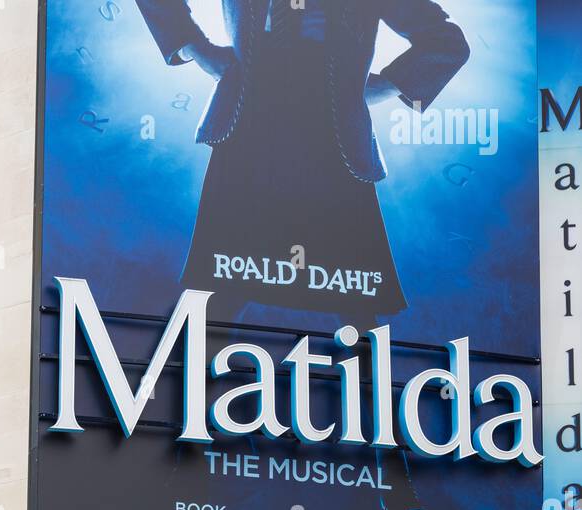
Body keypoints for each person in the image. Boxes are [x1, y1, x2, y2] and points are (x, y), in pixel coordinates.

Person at [134, 0, 470, 322]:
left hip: (330, 132)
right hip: (249, 121)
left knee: (353, 295)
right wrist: (194, 46)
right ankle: (186, 377)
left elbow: (446, 42)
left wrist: (386, 85)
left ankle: (365, 377)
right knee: (221, 288)